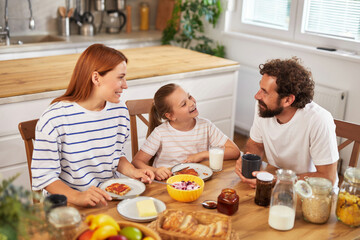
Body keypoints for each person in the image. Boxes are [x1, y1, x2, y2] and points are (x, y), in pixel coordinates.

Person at [31, 44, 154, 207]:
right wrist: (77, 196)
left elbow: (115, 156)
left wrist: (133, 172)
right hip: (69, 205)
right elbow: (45, 176)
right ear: (96, 78)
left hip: (110, 198)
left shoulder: (119, 111)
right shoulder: (54, 118)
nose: (125, 85)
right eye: (120, 77)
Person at [235, 57, 339, 188]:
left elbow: (327, 178)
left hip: (312, 193)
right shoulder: (263, 107)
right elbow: (256, 144)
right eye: (260, 88)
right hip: (280, 184)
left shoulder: (319, 120)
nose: (257, 96)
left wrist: (279, 179)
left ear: (288, 100)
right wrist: (249, 159)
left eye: (265, 92)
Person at [132, 83, 240, 180]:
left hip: (199, 180)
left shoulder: (205, 126)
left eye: (189, 96)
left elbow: (234, 151)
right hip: (168, 182)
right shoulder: (160, 133)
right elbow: (137, 162)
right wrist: (155, 171)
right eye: (183, 104)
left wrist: (202, 155)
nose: (191, 103)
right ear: (171, 116)